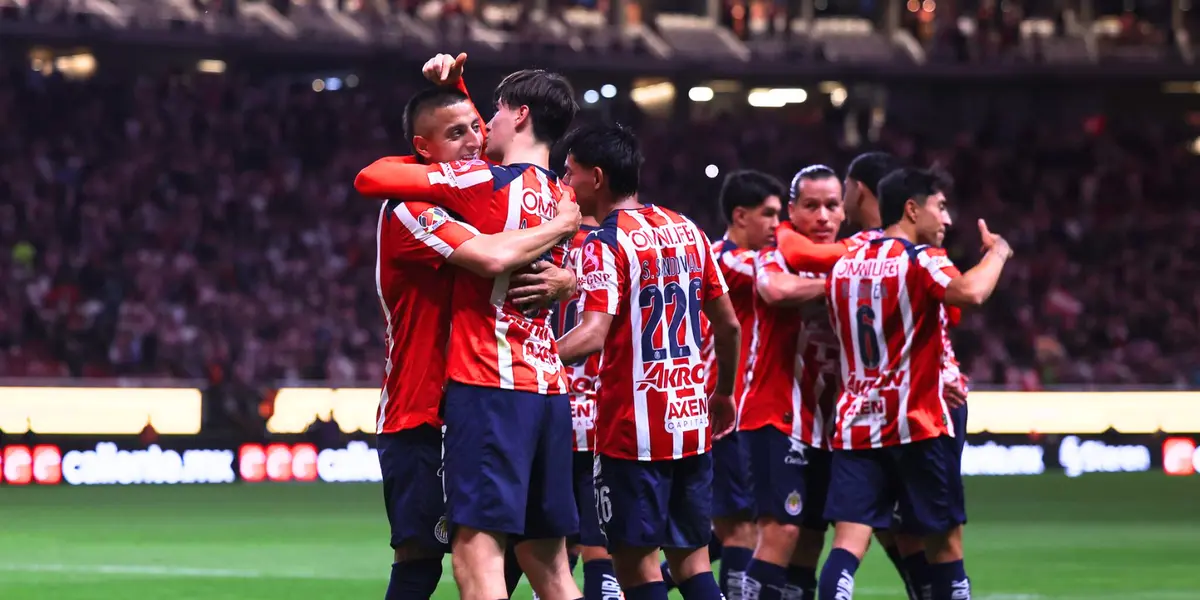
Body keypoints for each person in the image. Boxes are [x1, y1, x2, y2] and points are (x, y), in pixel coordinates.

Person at [356, 63, 584, 600]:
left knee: (493, 559)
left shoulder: (482, 191)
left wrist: (568, 279)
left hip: (482, 393)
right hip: (421, 407)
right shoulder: (412, 209)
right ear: (423, 148)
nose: (477, 138)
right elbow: (489, 255)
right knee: (423, 558)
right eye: (458, 133)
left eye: (481, 125)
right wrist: (561, 231)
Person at [555, 123, 740, 600]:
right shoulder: (688, 229)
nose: (564, 183)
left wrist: (532, 356)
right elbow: (729, 325)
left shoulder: (604, 242)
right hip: (690, 423)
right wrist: (723, 392)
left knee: (636, 569)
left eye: (569, 172)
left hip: (630, 433)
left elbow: (592, 335)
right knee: (694, 565)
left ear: (596, 177)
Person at [774, 152, 968, 599]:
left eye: (836, 198)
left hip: (864, 415)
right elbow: (959, 303)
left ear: (856, 192)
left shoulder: (849, 257)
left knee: (857, 536)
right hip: (920, 412)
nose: (829, 212)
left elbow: (794, 252)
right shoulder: (921, 259)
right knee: (931, 538)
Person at [817, 167, 1012, 600]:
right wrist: (997, 253)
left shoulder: (843, 264)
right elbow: (971, 293)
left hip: (856, 426)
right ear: (911, 209)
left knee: (847, 547)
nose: (946, 220)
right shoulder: (920, 259)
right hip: (917, 423)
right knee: (945, 547)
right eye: (940, 208)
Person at [737, 165, 841, 600]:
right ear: (792, 211)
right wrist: (845, 284)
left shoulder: (850, 258)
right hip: (773, 414)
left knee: (810, 541)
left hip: (825, 425)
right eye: (811, 206)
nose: (822, 217)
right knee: (780, 531)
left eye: (832, 206)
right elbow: (776, 291)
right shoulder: (773, 251)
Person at [682, 170, 786, 600]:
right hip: (718, 411)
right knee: (739, 527)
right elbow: (776, 285)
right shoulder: (726, 260)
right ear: (740, 216)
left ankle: (645, 583)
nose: (778, 225)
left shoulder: (736, 261)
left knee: (731, 529)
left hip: (739, 410)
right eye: (770, 215)